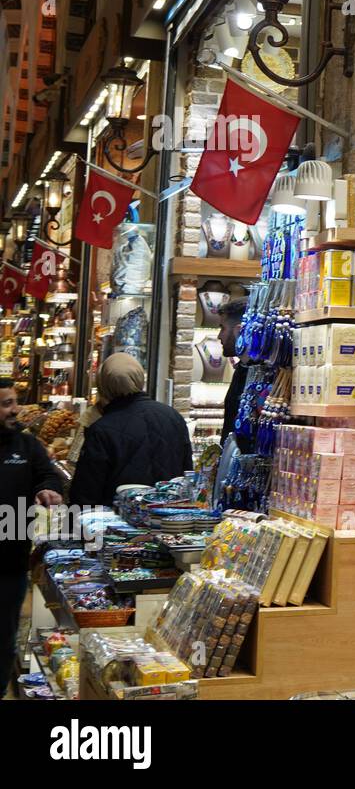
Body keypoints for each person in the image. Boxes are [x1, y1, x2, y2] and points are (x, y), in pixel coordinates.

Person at [0, 378, 62, 695]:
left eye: (14, 402)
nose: (15, 410)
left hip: (10, 562)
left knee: (4, 636)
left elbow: (47, 474)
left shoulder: (27, 446)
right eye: (6, 404)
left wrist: (48, 489)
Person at [68, 354, 194, 507]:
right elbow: (187, 475)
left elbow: (86, 493)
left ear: (104, 385)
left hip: (117, 523)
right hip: (169, 520)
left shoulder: (102, 429)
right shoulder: (173, 417)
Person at [218, 298, 251, 450]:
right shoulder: (243, 370)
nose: (219, 336)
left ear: (239, 331)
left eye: (222, 328)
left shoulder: (255, 376)